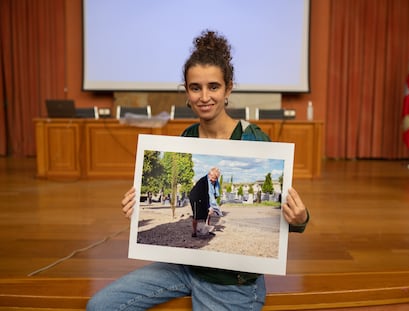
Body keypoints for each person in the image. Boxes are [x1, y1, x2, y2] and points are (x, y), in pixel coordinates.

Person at [87, 29, 309, 311]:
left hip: (231, 283)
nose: (204, 97)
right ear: (187, 92)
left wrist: (300, 218)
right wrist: (137, 207)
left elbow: (286, 217)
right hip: (185, 266)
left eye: (213, 87)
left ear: (228, 88)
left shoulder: (255, 139)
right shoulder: (186, 137)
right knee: (101, 306)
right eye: (195, 88)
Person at [190, 167, 223, 237]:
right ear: (209, 175)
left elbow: (214, 194)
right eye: (213, 178)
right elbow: (204, 196)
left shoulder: (214, 182)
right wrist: (209, 206)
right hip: (196, 197)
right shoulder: (203, 182)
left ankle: (206, 229)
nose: (214, 180)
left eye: (216, 179)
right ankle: (194, 232)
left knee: (208, 213)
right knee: (196, 215)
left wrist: (211, 206)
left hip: (205, 198)